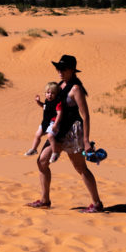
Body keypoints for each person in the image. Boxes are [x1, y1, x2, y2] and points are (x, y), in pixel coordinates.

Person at [26, 54, 105, 213]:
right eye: (58, 68)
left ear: (71, 70)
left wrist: (86, 140)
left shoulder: (76, 89)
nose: (59, 71)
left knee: (80, 167)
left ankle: (97, 203)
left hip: (71, 134)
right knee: (41, 162)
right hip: (57, 132)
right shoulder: (60, 85)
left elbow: (86, 115)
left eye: (63, 69)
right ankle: (45, 200)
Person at [25, 81, 62, 160]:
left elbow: (59, 114)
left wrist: (55, 124)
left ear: (56, 94)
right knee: (37, 135)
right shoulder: (47, 101)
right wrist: (38, 102)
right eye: (48, 93)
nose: (49, 95)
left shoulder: (57, 103)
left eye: (52, 93)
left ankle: (55, 153)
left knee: (50, 136)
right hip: (45, 122)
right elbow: (44, 106)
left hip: (53, 122)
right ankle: (34, 149)